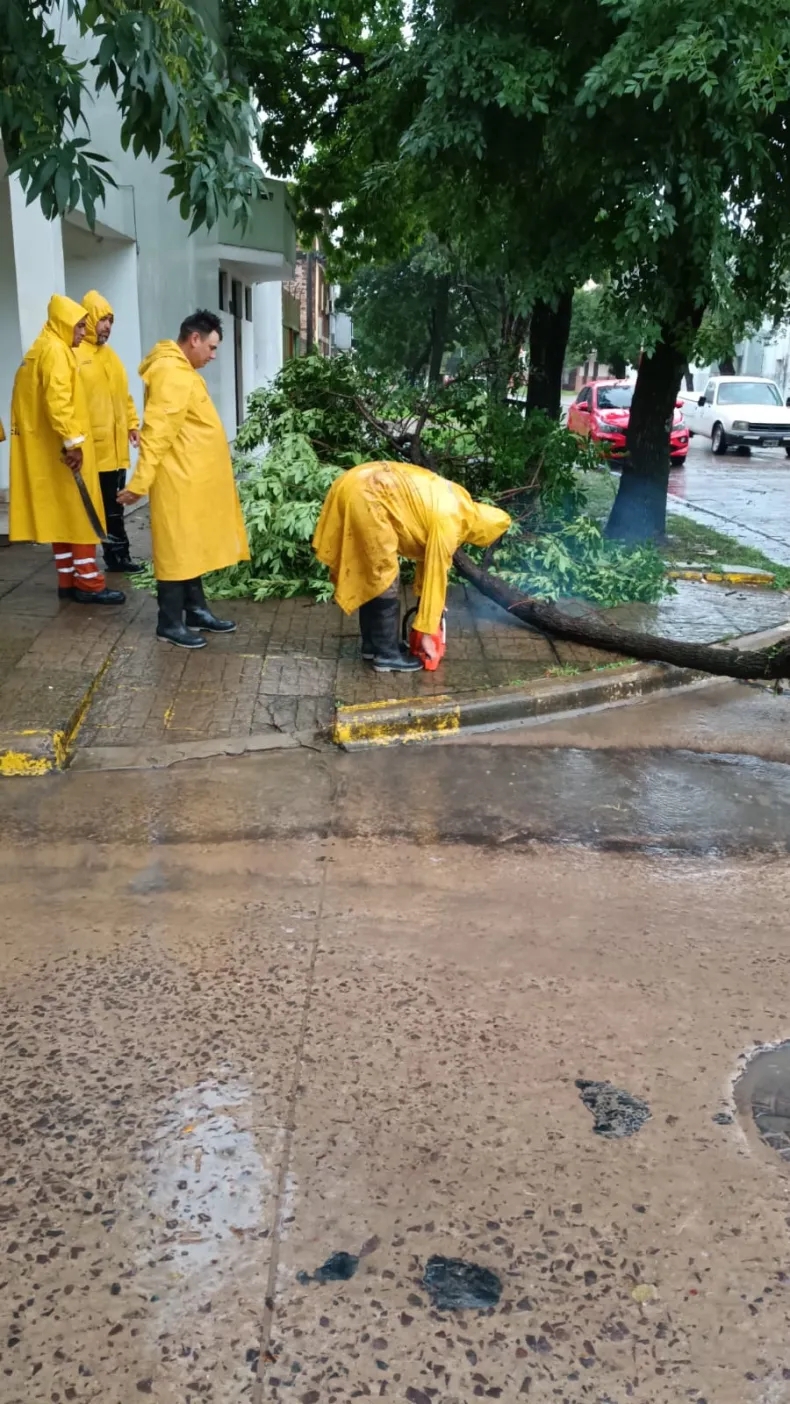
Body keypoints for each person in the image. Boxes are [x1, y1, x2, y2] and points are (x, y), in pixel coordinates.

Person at [118, 310, 250, 649]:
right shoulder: (171, 372)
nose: (213, 355)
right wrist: (140, 483)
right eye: (212, 347)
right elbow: (158, 432)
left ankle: (195, 610)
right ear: (194, 339)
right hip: (178, 479)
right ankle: (170, 623)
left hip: (190, 478)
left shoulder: (181, 369)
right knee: (176, 549)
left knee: (189, 545)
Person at [312, 461, 511, 671]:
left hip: (358, 481)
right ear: (483, 532)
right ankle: (386, 655)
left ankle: (373, 645)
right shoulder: (451, 523)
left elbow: (428, 561)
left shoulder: (461, 501)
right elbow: (436, 573)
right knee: (385, 576)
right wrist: (427, 633)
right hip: (368, 494)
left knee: (371, 572)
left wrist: (432, 606)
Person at [9, 294, 125, 605]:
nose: (82, 332)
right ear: (63, 324)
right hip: (67, 451)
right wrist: (73, 443)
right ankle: (89, 583)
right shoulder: (57, 352)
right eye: (79, 326)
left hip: (49, 452)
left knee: (62, 518)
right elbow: (58, 401)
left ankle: (67, 581)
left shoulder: (38, 350)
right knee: (82, 517)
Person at [77, 289, 142, 575]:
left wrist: (132, 424)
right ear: (89, 319)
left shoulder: (111, 357)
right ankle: (110, 558)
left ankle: (119, 557)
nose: (107, 326)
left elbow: (123, 397)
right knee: (99, 508)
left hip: (116, 449)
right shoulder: (76, 355)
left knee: (115, 506)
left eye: (111, 321)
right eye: (102, 319)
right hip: (92, 449)